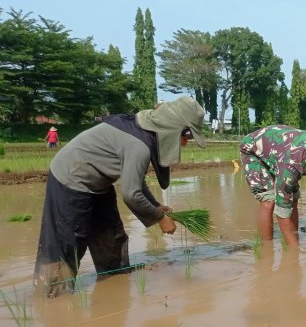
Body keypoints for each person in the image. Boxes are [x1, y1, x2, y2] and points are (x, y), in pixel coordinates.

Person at [34, 96, 207, 298]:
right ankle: (52, 300)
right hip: (69, 180)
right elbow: (131, 194)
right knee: (65, 246)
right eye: (186, 135)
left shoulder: (144, 133)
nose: (186, 143)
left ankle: (114, 290)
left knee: (111, 238)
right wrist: (160, 219)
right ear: (172, 127)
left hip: (99, 183)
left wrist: (155, 205)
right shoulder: (139, 145)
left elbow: (136, 181)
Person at [240, 125, 306, 247]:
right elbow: (282, 212)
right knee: (269, 200)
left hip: (281, 150)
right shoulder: (290, 167)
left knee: (294, 197)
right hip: (253, 150)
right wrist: (295, 251)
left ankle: (293, 237)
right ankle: (266, 247)